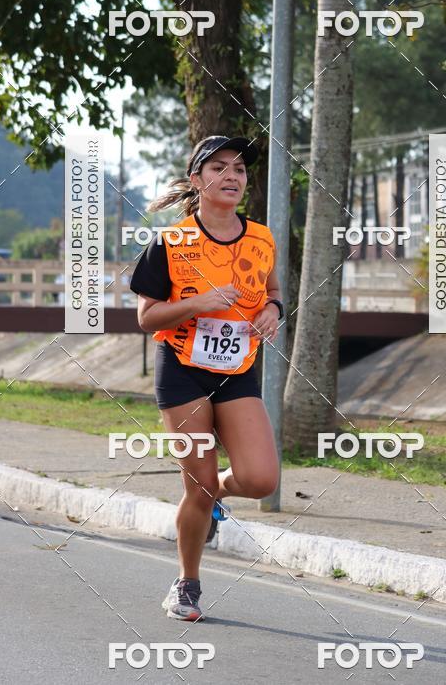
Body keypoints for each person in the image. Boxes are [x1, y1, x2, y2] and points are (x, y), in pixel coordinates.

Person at [129, 135, 283, 621]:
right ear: (196, 179)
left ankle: (217, 492)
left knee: (260, 479)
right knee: (196, 488)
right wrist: (199, 302)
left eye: (239, 169)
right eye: (219, 168)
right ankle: (186, 585)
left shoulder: (261, 238)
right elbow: (147, 318)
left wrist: (274, 311)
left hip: (237, 371)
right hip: (182, 373)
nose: (232, 176)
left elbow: (273, 290)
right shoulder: (170, 242)